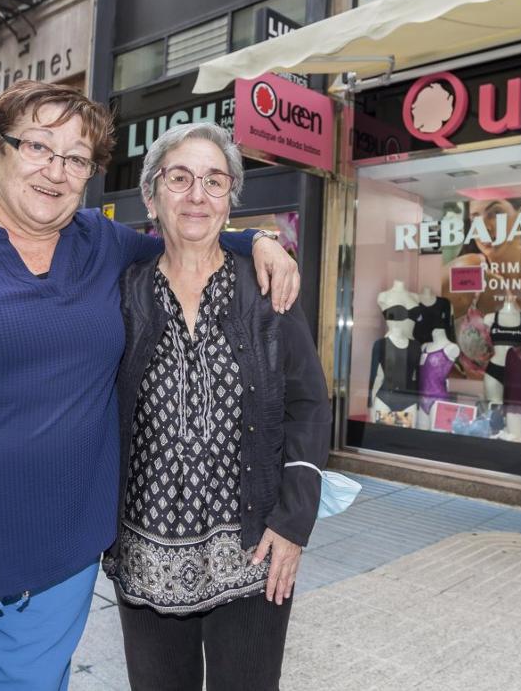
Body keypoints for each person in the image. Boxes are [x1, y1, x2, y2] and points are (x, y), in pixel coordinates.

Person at [0, 81, 299, 691]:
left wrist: (258, 242)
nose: (56, 172)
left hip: (59, 569)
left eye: (76, 159)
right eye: (39, 147)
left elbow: (189, 232)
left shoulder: (102, 245)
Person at [105, 123, 330, 691]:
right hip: (144, 554)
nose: (197, 194)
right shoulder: (122, 291)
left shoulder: (267, 290)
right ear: (151, 195)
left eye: (214, 180)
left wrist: (294, 522)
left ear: (231, 197)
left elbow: (308, 405)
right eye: (179, 178)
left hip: (254, 551)